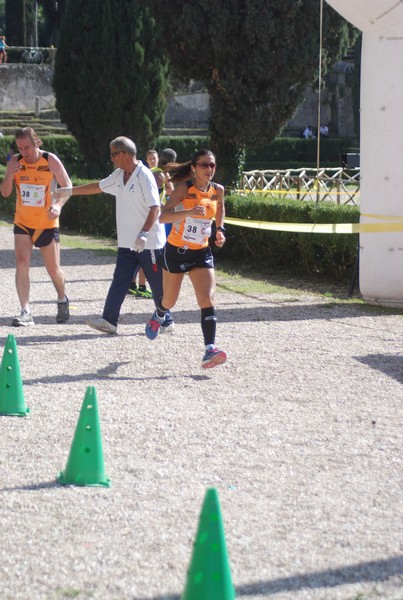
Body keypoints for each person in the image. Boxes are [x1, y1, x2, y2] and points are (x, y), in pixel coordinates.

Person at [53, 136, 174, 335]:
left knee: (156, 282)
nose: (111, 158)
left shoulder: (144, 175)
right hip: (127, 242)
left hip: (149, 242)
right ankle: (109, 320)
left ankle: (167, 320)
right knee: (120, 280)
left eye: (113, 154)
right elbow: (98, 186)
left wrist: (144, 233)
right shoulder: (119, 174)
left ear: (124, 154)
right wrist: (69, 191)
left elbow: (155, 208)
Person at [145, 148, 227, 369]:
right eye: (204, 165)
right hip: (177, 251)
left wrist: (219, 230)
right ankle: (160, 312)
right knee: (170, 301)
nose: (209, 169)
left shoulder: (217, 190)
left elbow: (220, 209)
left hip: (201, 251)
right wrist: (188, 213)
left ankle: (209, 349)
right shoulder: (184, 188)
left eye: (212, 165)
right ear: (193, 168)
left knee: (207, 299)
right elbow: (162, 216)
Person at [0, 127, 72, 326]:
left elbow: (67, 187)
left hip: (46, 223)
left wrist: (57, 205)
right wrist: (8, 176)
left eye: (28, 147)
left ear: (36, 143)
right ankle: (26, 311)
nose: (24, 152)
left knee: (53, 269)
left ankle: (62, 298)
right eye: (20, 148)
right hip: (22, 222)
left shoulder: (50, 160)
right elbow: (5, 193)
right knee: (22, 263)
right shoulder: (15, 162)